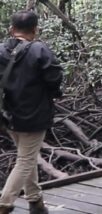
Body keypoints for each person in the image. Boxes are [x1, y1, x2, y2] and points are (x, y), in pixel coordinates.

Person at [0, 11, 63, 214]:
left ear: (11, 29)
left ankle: (36, 202)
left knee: (27, 156)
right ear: (35, 30)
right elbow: (54, 77)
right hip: (33, 116)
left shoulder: (1, 50)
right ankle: (5, 203)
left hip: (8, 115)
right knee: (26, 160)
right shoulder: (39, 49)